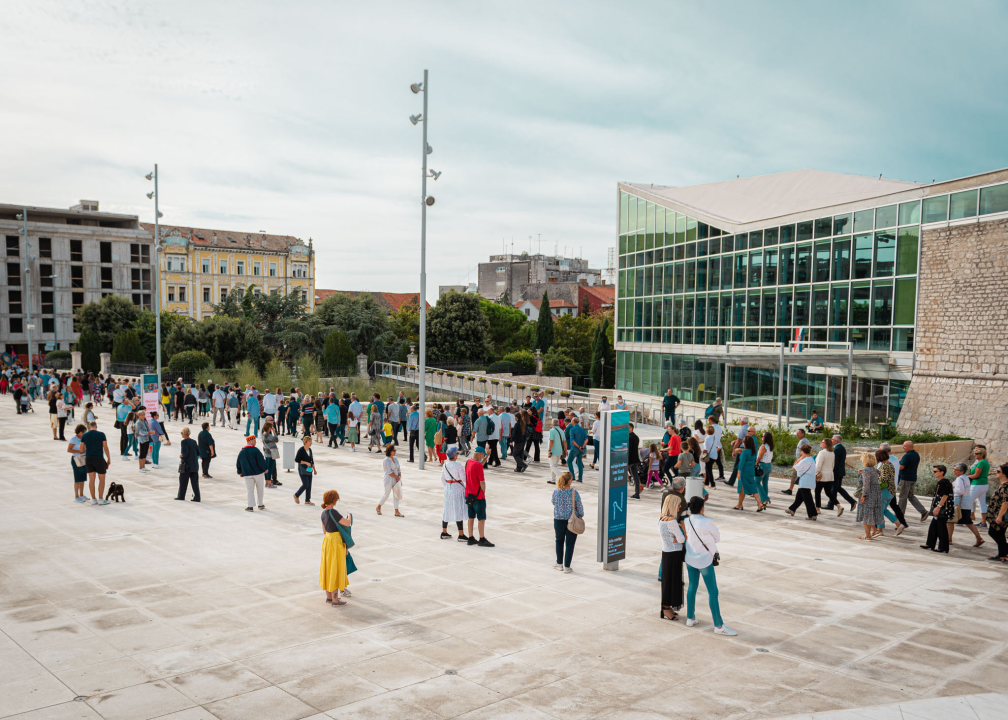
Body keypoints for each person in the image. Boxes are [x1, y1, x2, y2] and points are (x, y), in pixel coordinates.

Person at [683, 496, 735, 635]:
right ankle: (718, 626)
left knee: (692, 587)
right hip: (705, 560)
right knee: (713, 592)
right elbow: (717, 538)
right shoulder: (707, 522)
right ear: (702, 508)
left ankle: (690, 617)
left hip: (690, 558)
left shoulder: (686, 521)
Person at [319, 489, 353, 605]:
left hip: (327, 542)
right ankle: (335, 599)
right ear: (334, 500)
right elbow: (347, 523)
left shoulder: (323, 513)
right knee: (335, 568)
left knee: (328, 568)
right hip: (335, 543)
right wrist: (349, 516)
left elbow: (324, 531)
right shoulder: (333, 512)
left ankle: (329, 597)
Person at [659, 493, 686, 621]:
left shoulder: (662, 518)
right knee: (673, 581)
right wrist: (680, 533)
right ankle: (666, 608)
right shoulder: (672, 521)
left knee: (667, 581)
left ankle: (666, 607)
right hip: (674, 553)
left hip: (666, 552)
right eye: (678, 504)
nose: (680, 507)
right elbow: (681, 539)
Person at [551, 471, 584, 573]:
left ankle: (559, 563)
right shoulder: (574, 492)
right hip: (571, 521)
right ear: (569, 481)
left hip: (558, 520)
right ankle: (567, 566)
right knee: (570, 544)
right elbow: (580, 507)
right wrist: (580, 515)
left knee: (559, 541)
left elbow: (553, 502)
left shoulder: (556, 492)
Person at [949, 462, 984, 548]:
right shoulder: (965, 478)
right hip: (965, 504)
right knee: (967, 522)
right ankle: (979, 538)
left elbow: (959, 491)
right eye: (954, 469)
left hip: (960, 504)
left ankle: (948, 539)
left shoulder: (960, 479)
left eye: (956, 470)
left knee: (950, 520)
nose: (954, 471)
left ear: (962, 471)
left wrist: (952, 487)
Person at [465, 448, 494, 546]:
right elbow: (482, 483)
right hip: (478, 496)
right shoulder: (478, 465)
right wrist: (483, 494)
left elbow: (478, 466)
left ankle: (470, 537)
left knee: (471, 517)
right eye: (483, 455)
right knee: (481, 518)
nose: (482, 457)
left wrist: (487, 457)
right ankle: (481, 538)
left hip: (468, 495)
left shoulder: (468, 462)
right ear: (480, 454)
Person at [875, 447, 907, 537]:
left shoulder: (884, 466)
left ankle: (880, 529)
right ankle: (899, 525)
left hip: (884, 491)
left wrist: (875, 477)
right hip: (891, 491)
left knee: (879, 510)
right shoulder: (890, 464)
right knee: (884, 510)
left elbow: (883, 478)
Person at [921, 465, 953, 553]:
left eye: (935, 471)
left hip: (942, 508)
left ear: (942, 472)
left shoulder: (943, 482)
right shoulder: (942, 482)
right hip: (939, 507)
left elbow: (945, 495)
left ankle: (943, 547)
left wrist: (938, 507)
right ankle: (930, 543)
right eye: (934, 471)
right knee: (933, 526)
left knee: (941, 528)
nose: (933, 473)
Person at [440, 446, 467, 540]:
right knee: (458, 509)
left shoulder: (445, 465)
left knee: (446, 509)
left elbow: (442, 479)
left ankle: (444, 532)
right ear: (454, 455)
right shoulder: (458, 465)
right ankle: (461, 534)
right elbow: (464, 478)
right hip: (457, 489)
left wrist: (448, 485)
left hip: (448, 488)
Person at [81, 421, 111, 505]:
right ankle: (101, 499)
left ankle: (93, 499)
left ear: (89, 427)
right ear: (96, 427)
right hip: (99, 458)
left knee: (91, 479)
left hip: (89, 458)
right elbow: (105, 447)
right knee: (102, 479)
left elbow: (81, 449)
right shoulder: (101, 434)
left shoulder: (85, 435)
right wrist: (108, 458)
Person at [825, 434, 856, 515]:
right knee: (837, 488)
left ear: (836, 441)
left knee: (833, 489)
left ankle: (831, 504)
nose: (831, 440)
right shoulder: (840, 448)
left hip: (836, 472)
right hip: (840, 472)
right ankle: (851, 501)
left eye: (832, 439)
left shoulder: (837, 449)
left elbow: (834, 462)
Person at [897, 440, 927, 522]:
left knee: (903, 497)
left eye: (904, 446)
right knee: (910, 496)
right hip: (913, 477)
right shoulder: (916, 454)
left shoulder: (907, 455)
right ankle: (923, 511)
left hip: (905, 478)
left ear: (909, 447)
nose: (903, 447)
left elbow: (901, 467)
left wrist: (896, 465)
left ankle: (900, 515)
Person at [236, 434, 268, 511]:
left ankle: (250, 506)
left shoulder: (242, 451)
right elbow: (261, 461)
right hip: (258, 473)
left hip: (247, 474)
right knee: (260, 489)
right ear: (250, 441)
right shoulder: (255, 450)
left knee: (249, 490)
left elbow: (238, 463)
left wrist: (240, 471)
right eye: (254, 441)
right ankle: (260, 504)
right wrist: (265, 468)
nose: (255, 442)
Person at [856, 452, 883, 540]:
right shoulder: (874, 470)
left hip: (869, 494)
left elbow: (866, 485)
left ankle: (868, 535)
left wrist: (863, 495)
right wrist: (860, 474)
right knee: (871, 513)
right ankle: (874, 530)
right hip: (875, 493)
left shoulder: (866, 470)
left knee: (866, 515)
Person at [787, 444, 818, 520]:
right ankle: (792, 509)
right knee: (799, 497)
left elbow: (794, 468)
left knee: (808, 499)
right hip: (809, 481)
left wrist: (799, 459)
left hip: (804, 481)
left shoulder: (804, 461)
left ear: (802, 451)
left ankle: (813, 514)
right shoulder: (811, 460)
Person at [986, 464, 1008, 562]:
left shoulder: (1006, 486)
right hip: (998, 514)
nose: (996, 472)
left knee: (993, 532)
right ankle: (1002, 555)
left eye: (998, 471)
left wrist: (999, 516)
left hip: (1000, 514)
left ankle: (1005, 552)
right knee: (1000, 533)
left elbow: (1005, 502)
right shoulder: (1003, 484)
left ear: (1005, 474)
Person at [377, 444, 404, 517]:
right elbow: (389, 472)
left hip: (395, 480)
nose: (395, 452)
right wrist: (396, 477)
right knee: (386, 494)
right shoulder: (386, 461)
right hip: (389, 480)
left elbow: (398, 468)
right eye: (394, 450)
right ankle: (379, 506)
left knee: (396, 495)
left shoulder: (395, 459)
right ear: (390, 451)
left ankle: (396, 511)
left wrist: (399, 475)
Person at [966, 445, 991, 527]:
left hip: (977, 484)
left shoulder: (980, 463)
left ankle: (965, 519)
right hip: (984, 484)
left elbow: (976, 475)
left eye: (977, 454)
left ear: (982, 454)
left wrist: (967, 477)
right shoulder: (985, 462)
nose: (975, 455)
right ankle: (983, 522)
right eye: (975, 453)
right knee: (982, 504)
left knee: (968, 501)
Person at [782, 428, 811, 495]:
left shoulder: (803, 441)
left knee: (794, 475)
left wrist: (798, 460)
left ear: (803, 434)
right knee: (796, 476)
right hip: (801, 460)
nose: (797, 434)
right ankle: (792, 489)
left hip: (801, 461)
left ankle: (791, 490)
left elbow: (803, 452)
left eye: (798, 433)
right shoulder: (802, 440)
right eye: (796, 433)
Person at [290, 435, 317, 505]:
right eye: (310, 441)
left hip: (309, 469)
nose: (311, 443)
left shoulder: (310, 450)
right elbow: (297, 460)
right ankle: (296, 495)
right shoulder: (301, 450)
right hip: (302, 469)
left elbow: (312, 460)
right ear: (305, 442)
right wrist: (305, 462)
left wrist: (314, 469)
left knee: (309, 484)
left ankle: (307, 500)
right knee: (306, 484)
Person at [176, 426, 201, 502]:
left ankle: (181, 496)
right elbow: (198, 452)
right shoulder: (194, 441)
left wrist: (181, 455)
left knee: (183, 481)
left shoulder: (184, 442)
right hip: (194, 465)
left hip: (186, 465)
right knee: (195, 483)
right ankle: (197, 497)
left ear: (184, 434)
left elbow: (185, 453)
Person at [813, 437, 835, 510]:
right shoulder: (832, 453)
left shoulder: (822, 453)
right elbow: (833, 465)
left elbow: (818, 465)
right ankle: (838, 505)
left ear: (825, 444)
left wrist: (815, 474)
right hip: (830, 476)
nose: (820, 443)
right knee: (828, 492)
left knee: (817, 492)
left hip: (822, 476)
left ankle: (817, 508)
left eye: (822, 442)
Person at [68, 423, 88, 502]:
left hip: (83, 458)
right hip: (76, 459)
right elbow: (69, 449)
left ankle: (81, 494)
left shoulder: (84, 438)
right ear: (79, 431)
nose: (84, 434)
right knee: (77, 478)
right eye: (83, 432)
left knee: (82, 477)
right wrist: (79, 451)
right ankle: (76, 496)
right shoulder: (74, 439)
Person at [566, 415, 587, 483]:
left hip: (575, 448)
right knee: (579, 462)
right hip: (581, 449)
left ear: (573, 421)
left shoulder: (572, 429)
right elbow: (586, 439)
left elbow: (572, 440)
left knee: (569, 461)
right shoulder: (582, 429)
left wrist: (578, 447)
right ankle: (580, 477)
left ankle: (573, 476)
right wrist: (582, 447)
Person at [754, 431, 773, 507]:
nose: (761, 437)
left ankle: (765, 498)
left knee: (756, 482)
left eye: (763, 436)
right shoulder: (770, 446)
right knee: (765, 483)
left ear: (766, 438)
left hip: (762, 465)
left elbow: (759, 457)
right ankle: (764, 501)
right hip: (768, 465)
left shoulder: (763, 446)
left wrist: (756, 464)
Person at [547, 418, 566, 485]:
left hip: (553, 450)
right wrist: (566, 450)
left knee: (552, 466)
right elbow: (564, 441)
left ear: (552, 424)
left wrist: (549, 450)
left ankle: (561, 477)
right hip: (559, 450)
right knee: (555, 465)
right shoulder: (561, 431)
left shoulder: (552, 431)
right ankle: (553, 480)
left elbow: (551, 441)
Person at [261, 419, 280, 488]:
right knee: (270, 468)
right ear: (269, 428)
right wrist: (274, 432)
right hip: (271, 453)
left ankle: (267, 482)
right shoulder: (268, 435)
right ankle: (269, 483)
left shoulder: (263, 434)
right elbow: (276, 439)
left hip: (266, 453)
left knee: (266, 468)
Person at [134, 408, 152, 473]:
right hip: (142, 440)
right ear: (138, 415)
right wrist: (148, 432)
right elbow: (140, 432)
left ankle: (143, 466)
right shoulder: (138, 423)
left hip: (147, 439)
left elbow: (148, 428)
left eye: (144, 414)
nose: (143, 416)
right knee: (141, 453)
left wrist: (150, 431)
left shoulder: (144, 421)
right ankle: (140, 467)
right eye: (141, 414)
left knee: (145, 453)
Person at [628, 422, 643, 499]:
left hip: (630, 460)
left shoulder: (629, 437)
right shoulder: (636, 437)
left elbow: (629, 450)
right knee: (635, 477)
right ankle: (637, 493)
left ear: (631, 428)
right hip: (635, 459)